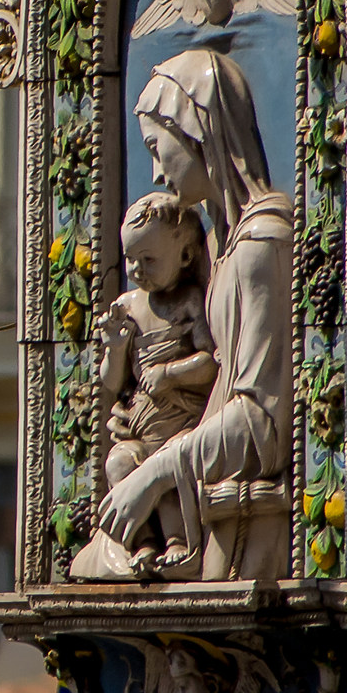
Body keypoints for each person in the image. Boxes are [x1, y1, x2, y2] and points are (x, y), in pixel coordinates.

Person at [77, 47, 294, 583]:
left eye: (158, 148)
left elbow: (260, 424)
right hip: (204, 491)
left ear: (198, 133)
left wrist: (155, 473)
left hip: (242, 534)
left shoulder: (259, 246)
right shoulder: (219, 247)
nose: (156, 170)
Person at [95, 192, 218, 573]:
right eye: (130, 259)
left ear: (185, 256)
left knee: (166, 473)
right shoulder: (127, 307)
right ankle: (143, 542)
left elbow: (209, 362)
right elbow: (112, 382)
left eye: (149, 260)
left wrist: (169, 374)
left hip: (177, 423)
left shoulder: (190, 302)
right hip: (139, 424)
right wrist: (115, 349)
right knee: (119, 464)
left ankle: (177, 541)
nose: (137, 269)